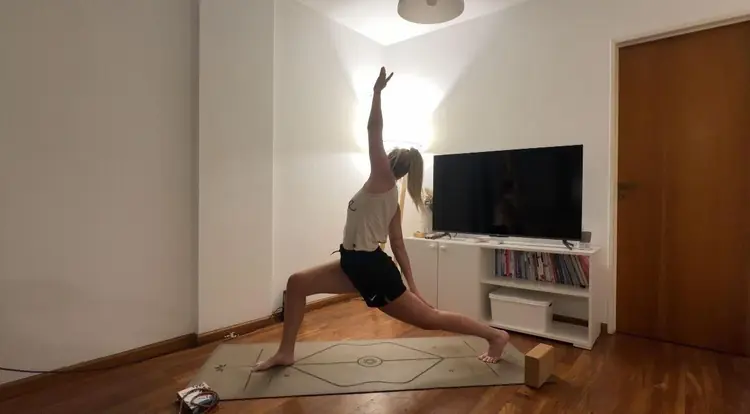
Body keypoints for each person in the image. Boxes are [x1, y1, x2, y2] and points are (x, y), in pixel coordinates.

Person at [253, 67, 510, 371]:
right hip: (353, 263)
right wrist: (413, 285)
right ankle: (286, 352)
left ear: (388, 161)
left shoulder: (383, 179)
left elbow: (373, 130)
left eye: (383, 156)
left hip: (371, 270)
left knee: (430, 320)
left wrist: (376, 93)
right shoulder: (388, 199)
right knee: (297, 283)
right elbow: (398, 245)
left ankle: (495, 335)